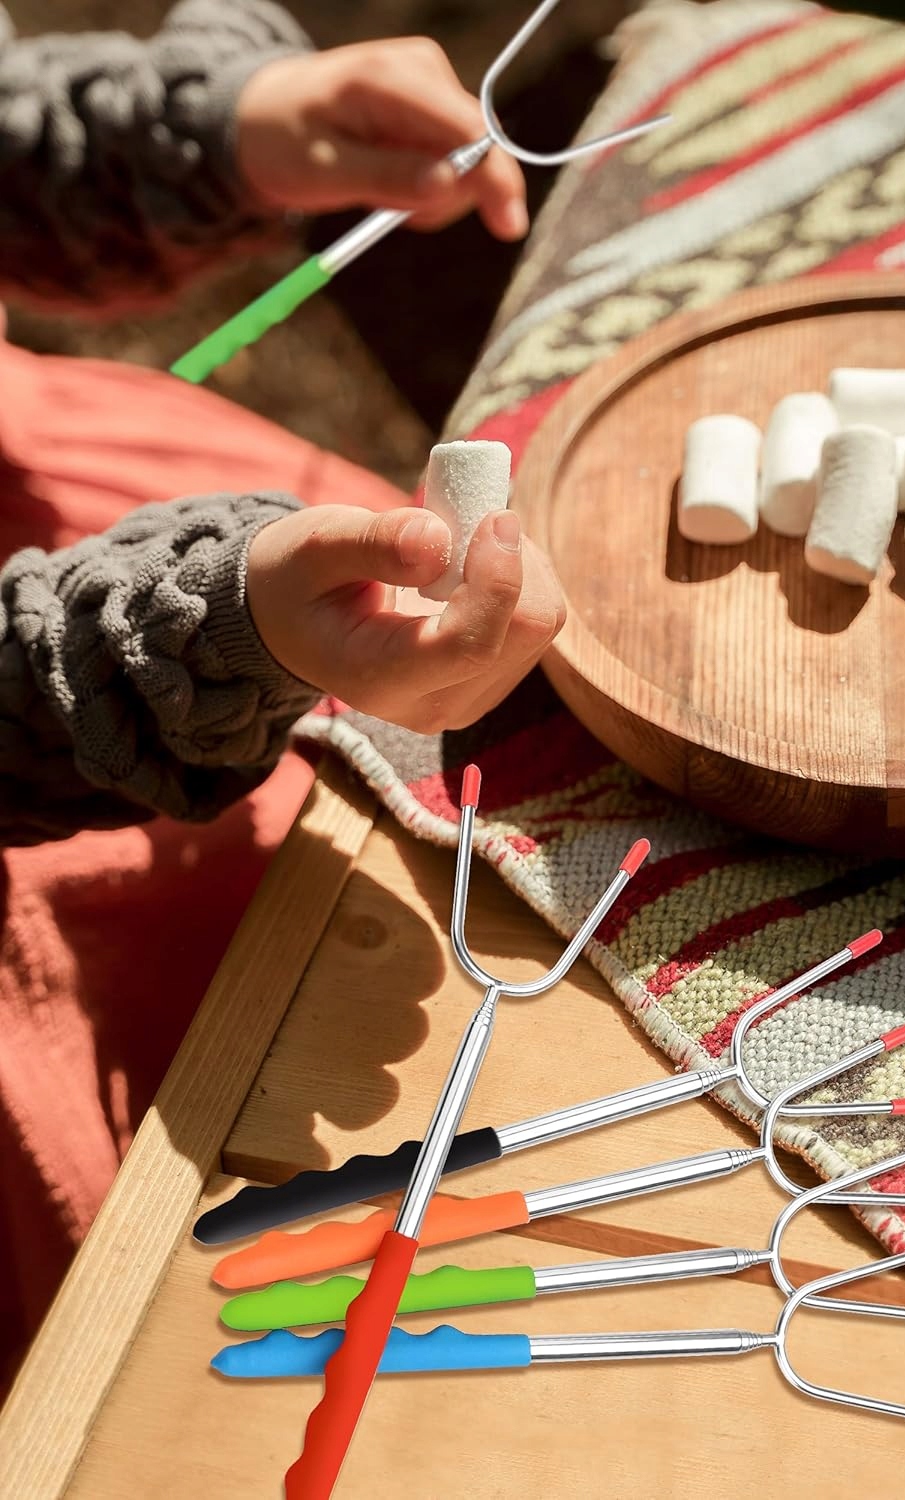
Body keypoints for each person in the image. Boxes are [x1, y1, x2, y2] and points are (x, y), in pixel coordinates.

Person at [0, 0, 562, 1384]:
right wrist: (191, 644)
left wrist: (209, 138)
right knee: (201, 1248)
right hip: (47, 715)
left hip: (83, 540)